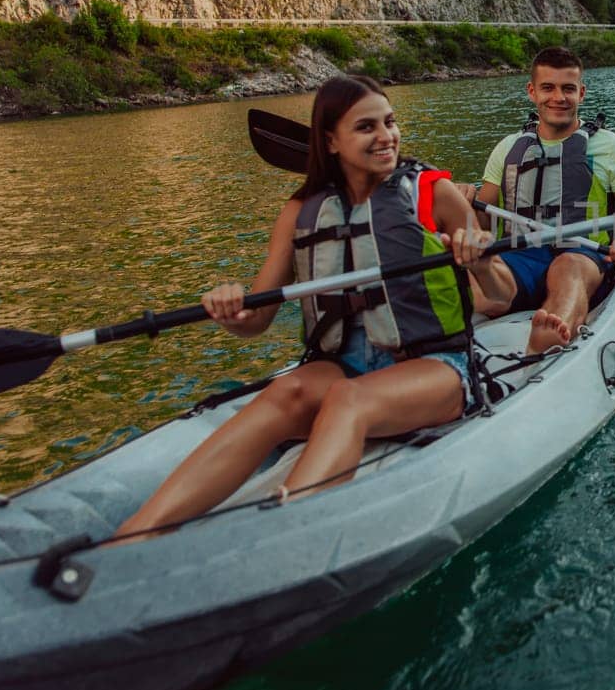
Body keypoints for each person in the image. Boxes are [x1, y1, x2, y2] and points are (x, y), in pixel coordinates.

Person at [113, 76, 512, 541]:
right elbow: (256, 320)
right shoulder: (302, 210)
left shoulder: (431, 192)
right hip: (343, 364)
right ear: (330, 141)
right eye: (366, 127)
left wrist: (480, 258)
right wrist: (231, 311)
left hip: (434, 368)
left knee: (349, 401)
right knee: (283, 395)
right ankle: (136, 534)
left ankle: (287, 534)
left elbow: (501, 293)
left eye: (390, 122)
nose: (386, 136)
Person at [472, 46, 615, 353]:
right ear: (532, 91)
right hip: (523, 255)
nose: (559, 98)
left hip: (586, 256)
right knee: (485, 276)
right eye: (548, 88)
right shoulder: (508, 148)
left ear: (581, 93)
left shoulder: (611, 148)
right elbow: (482, 218)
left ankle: (551, 336)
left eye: (568, 89)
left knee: (567, 267)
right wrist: (463, 201)